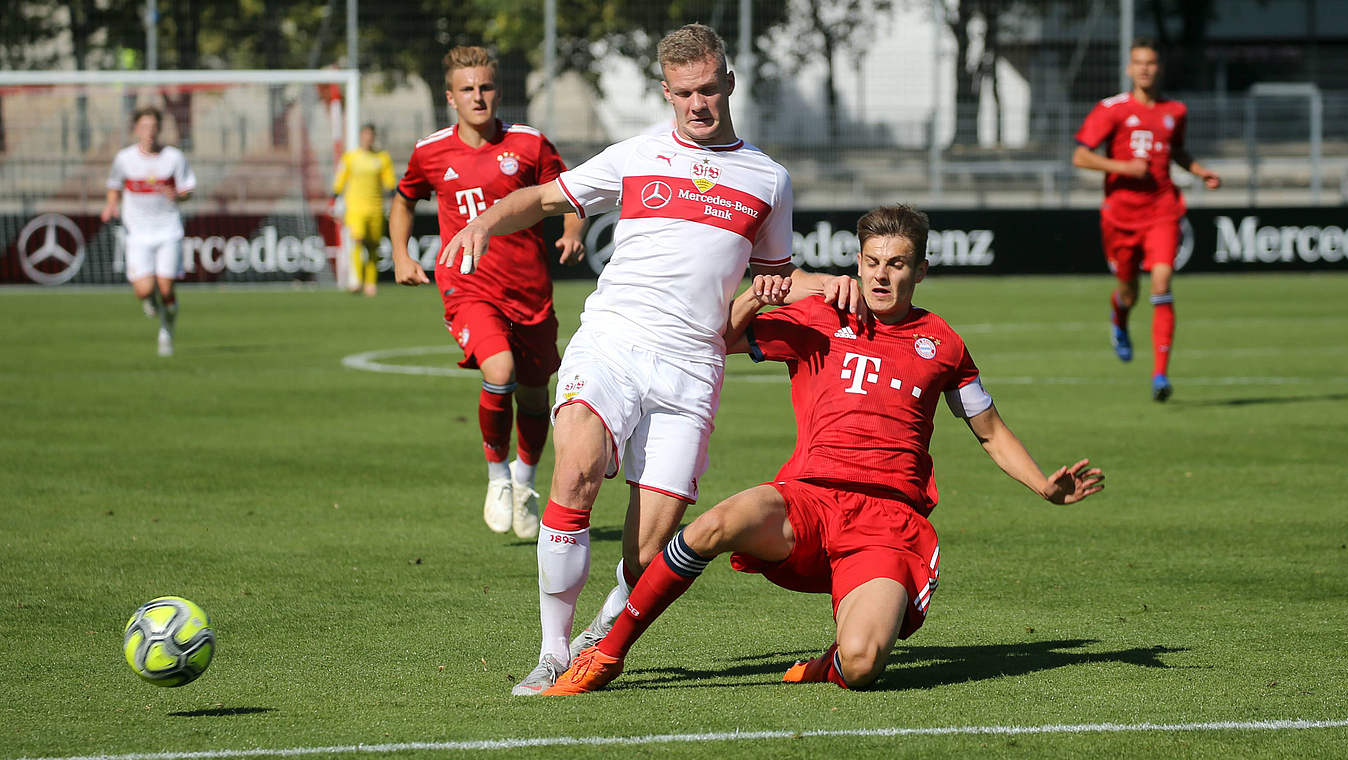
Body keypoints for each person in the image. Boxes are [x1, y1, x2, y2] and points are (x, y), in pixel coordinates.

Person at [437, 24, 860, 695]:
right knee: (574, 475)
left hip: (691, 370)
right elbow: (546, 199)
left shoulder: (769, 181)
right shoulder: (635, 155)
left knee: (647, 554)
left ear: (728, 84)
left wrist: (780, 292)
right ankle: (551, 652)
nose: (698, 103)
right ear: (667, 92)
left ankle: (602, 629)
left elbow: (770, 280)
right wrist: (486, 221)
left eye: (708, 89)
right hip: (611, 341)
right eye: (684, 92)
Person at [543, 204, 1106, 695]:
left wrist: (1045, 488)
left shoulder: (944, 344)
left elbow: (990, 430)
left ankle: (827, 666)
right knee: (712, 525)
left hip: (888, 522)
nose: (881, 275)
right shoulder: (822, 316)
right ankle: (606, 654)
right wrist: (757, 298)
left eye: (897, 264)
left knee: (863, 665)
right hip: (806, 502)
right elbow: (720, 342)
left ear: (921, 270)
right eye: (873, 262)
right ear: (858, 262)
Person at [390, 46, 586, 541]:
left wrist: (573, 230)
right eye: (467, 89)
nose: (478, 97)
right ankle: (497, 477)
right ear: (450, 96)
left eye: (486, 87)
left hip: (530, 290)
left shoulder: (529, 144)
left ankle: (523, 482)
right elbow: (404, 199)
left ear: (498, 90)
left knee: (535, 394)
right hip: (468, 284)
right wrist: (400, 255)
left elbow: (569, 193)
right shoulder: (430, 151)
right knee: (499, 370)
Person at [1072, 38, 1220, 402]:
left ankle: (1159, 375)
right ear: (1129, 68)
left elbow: (1178, 151)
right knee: (1128, 291)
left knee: (1162, 280)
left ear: (1159, 67)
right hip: (1121, 216)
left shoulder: (1175, 111)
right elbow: (1080, 156)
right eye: (1138, 63)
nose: (1145, 69)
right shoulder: (1112, 109)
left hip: (1163, 211)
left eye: (1151, 63)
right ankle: (1119, 320)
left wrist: (1201, 172)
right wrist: (1123, 167)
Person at [101, 105, 196, 357]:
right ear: (135, 129)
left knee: (166, 288)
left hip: (168, 230)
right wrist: (111, 204)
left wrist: (177, 195)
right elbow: (113, 185)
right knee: (144, 290)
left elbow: (189, 190)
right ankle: (150, 301)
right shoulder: (124, 159)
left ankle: (166, 330)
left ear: (159, 130)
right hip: (137, 232)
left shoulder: (173, 157)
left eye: (153, 127)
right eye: (144, 127)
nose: (149, 132)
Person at [332, 123, 396, 296]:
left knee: (373, 246)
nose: (368, 138)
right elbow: (341, 179)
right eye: (365, 135)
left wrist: (394, 201)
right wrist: (334, 197)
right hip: (355, 208)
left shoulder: (382, 158)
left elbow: (390, 182)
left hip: (376, 207)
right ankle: (356, 280)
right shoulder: (350, 157)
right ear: (361, 136)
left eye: (371, 135)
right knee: (358, 240)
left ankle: (370, 283)